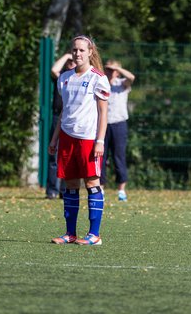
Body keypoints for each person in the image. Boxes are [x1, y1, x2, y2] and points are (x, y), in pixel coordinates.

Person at [49, 35, 110, 245]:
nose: (78, 54)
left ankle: (94, 235)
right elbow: (64, 112)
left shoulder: (98, 78)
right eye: (75, 50)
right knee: (70, 184)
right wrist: (54, 140)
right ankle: (70, 233)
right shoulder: (64, 78)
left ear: (90, 52)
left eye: (82, 50)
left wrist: (100, 141)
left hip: (88, 139)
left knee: (92, 183)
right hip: (67, 137)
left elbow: (103, 113)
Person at [100, 59, 135, 201]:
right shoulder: (101, 83)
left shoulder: (122, 84)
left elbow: (131, 77)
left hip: (119, 124)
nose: (110, 72)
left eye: (112, 70)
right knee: (100, 157)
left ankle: (121, 190)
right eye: (108, 69)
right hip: (102, 124)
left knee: (118, 157)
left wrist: (117, 69)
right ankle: (100, 188)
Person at [45, 53, 76, 199]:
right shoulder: (62, 78)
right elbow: (53, 70)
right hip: (58, 117)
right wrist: (67, 55)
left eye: (73, 61)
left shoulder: (78, 78)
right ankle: (52, 190)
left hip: (72, 118)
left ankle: (65, 191)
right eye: (68, 61)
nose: (70, 63)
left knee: (68, 157)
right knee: (54, 155)